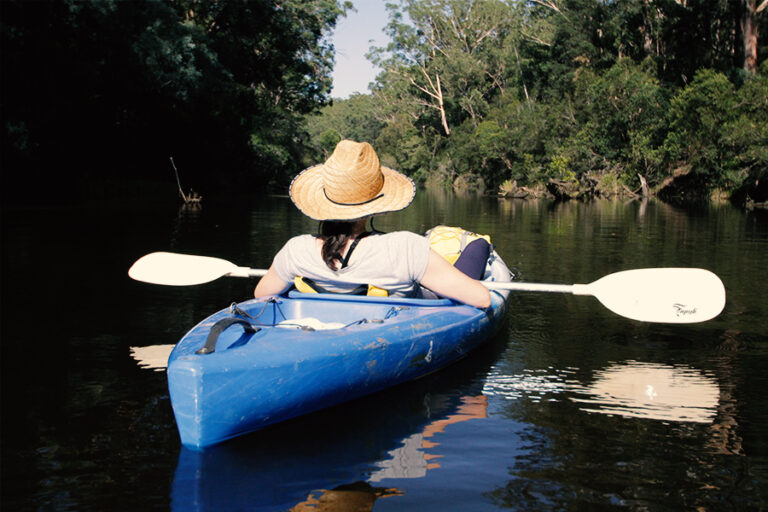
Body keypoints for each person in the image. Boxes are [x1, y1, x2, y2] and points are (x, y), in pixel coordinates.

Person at [254, 140, 491, 309]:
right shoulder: (404, 247)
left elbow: (262, 294)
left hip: (324, 321)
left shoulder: (295, 250)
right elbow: (482, 299)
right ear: (372, 207)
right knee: (478, 244)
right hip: (399, 322)